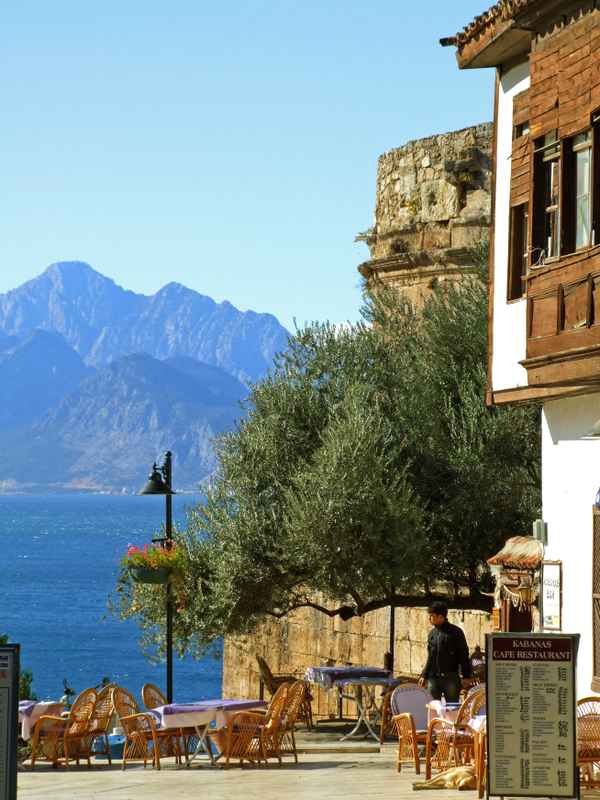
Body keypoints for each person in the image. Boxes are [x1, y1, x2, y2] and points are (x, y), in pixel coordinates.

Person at [418, 601, 471, 702]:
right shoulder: (432, 634)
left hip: (450, 678)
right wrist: (424, 675)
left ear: (440, 617)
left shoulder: (456, 632)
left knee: (452, 708)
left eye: (432, 616)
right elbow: (430, 657)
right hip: (433, 678)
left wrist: (466, 676)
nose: (429, 619)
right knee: (433, 707)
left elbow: (463, 654)